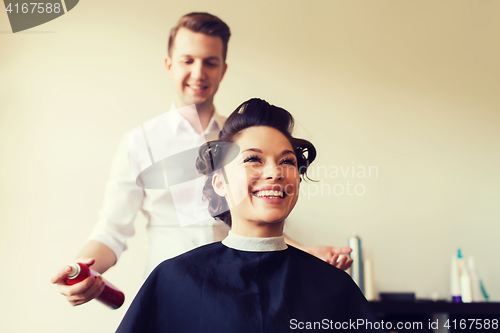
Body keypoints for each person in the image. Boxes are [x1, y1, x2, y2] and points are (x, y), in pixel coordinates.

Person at [50, 12, 352, 308]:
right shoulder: (139, 141)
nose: (198, 73)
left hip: (238, 291)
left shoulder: (245, 141)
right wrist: (81, 269)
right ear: (169, 65)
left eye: (210, 62)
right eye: (188, 60)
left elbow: (257, 221)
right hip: (171, 293)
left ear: (223, 69)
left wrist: (305, 253)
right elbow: (111, 231)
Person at [116, 98, 382, 333]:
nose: (274, 172)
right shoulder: (173, 281)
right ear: (219, 182)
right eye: (253, 159)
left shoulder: (334, 287)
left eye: (287, 161)